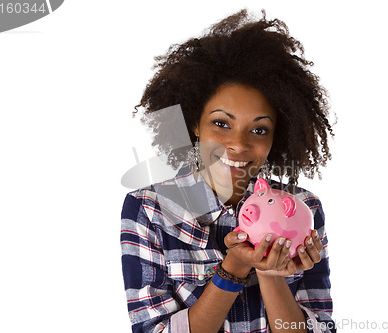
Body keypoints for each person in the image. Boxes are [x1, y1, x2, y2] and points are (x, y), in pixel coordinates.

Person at [121, 9, 336, 333]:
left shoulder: (304, 209)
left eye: (259, 130)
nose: (237, 144)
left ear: (279, 134)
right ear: (195, 122)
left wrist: (271, 273)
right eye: (221, 123)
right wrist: (234, 267)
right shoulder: (150, 210)